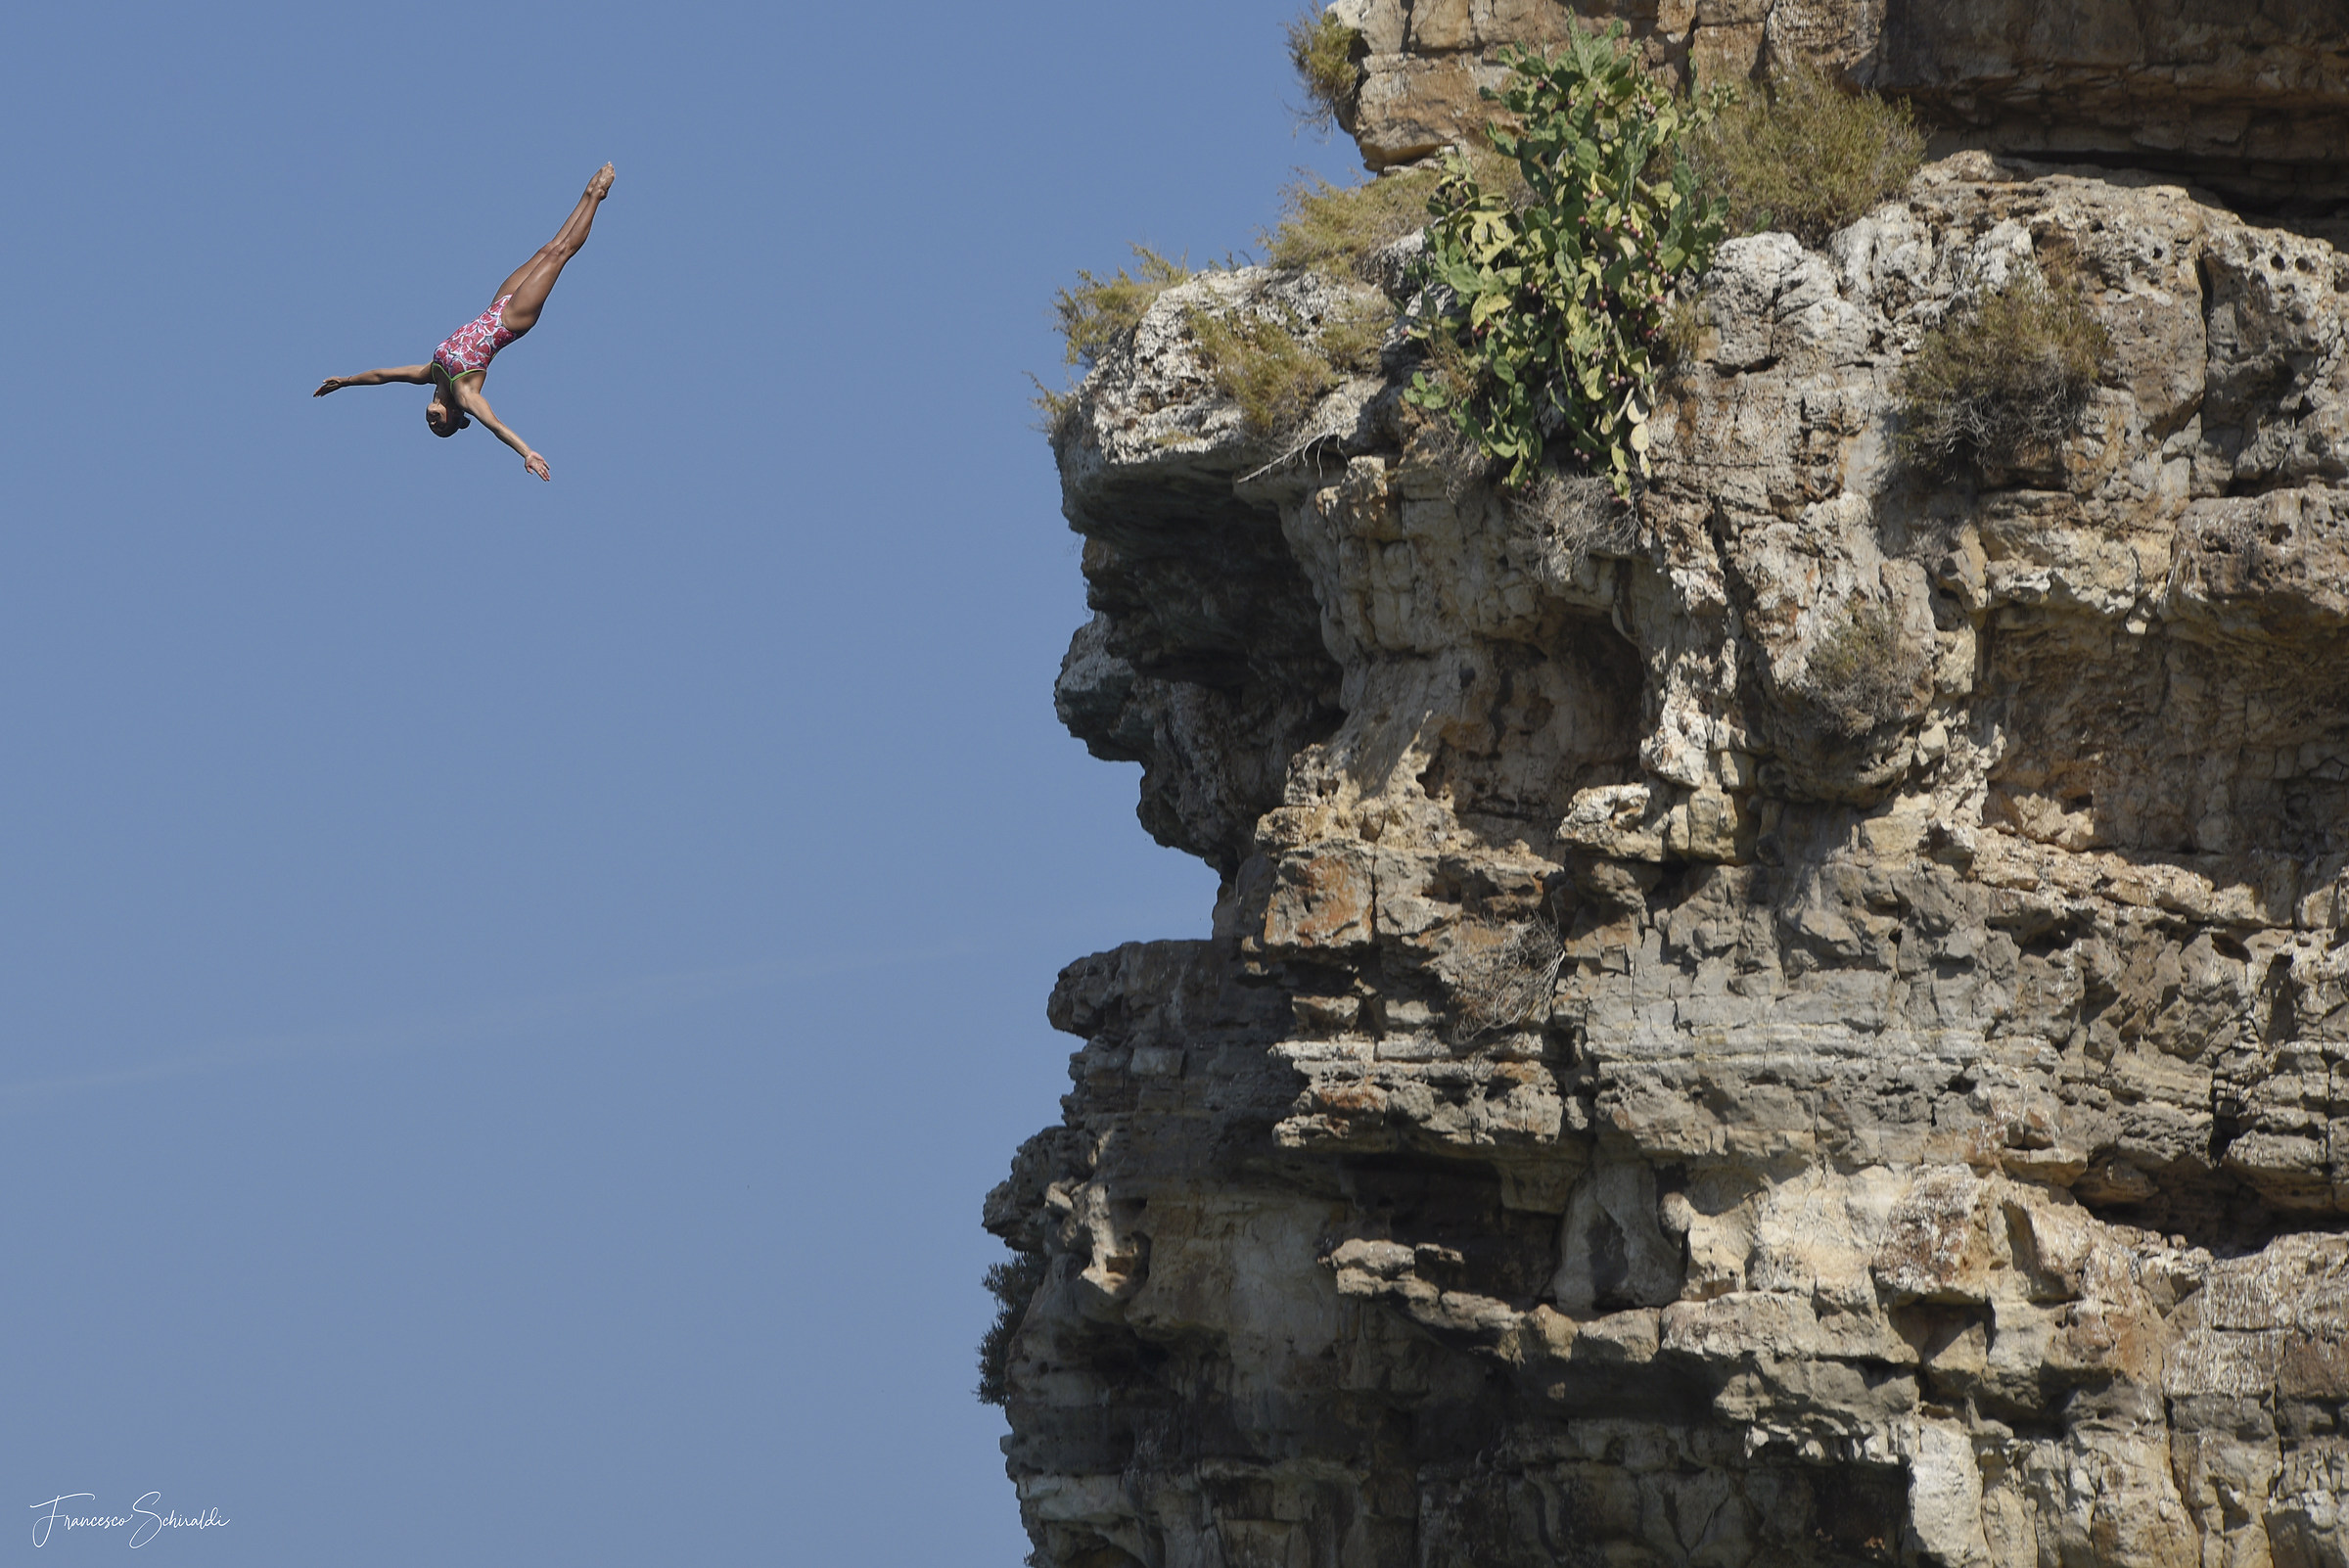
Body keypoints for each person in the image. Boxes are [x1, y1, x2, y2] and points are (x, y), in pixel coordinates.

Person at [314, 163, 615, 481]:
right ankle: (598, 195)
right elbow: (495, 425)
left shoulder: (430, 373)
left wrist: (346, 381)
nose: (432, 421)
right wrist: (526, 452)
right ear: (454, 415)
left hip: (497, 305)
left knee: (547, 249)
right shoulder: (465, 395)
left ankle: (587, 192)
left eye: (430, 424)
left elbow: (382, 376)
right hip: (512, 321)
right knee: (560, 255)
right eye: (439, 425)